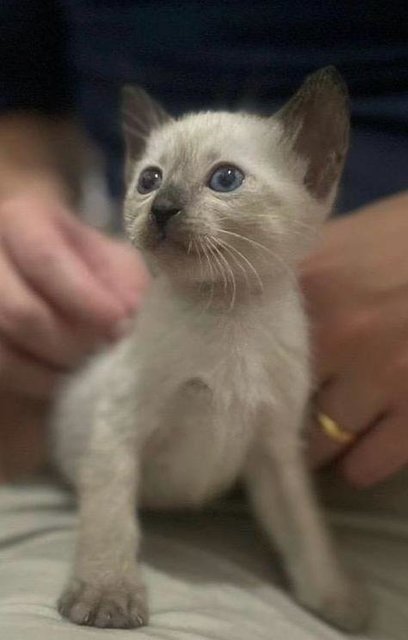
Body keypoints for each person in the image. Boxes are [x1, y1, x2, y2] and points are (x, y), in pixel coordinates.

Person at [0, 3, 407, 639]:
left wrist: (322, 581)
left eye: (223, 179)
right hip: (78, 479)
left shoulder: (282, 335)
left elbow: (275, 462)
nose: (164, 204)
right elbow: (19, 91)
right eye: (151, 177)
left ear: (315, 167)